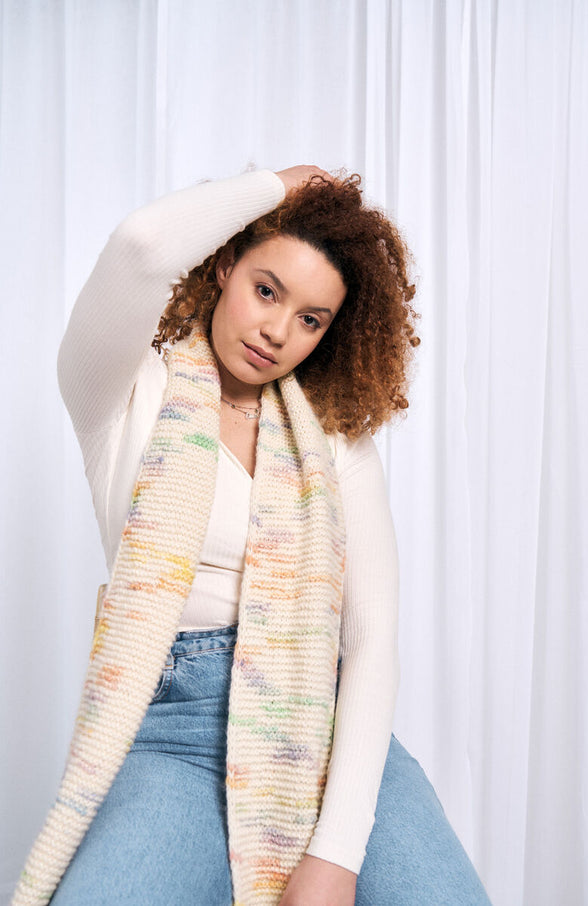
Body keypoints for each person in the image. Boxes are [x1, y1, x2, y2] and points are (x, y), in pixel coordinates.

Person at [12, 166, 492, 906]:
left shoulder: (334, 442)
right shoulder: (124, 394)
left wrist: (335, 853)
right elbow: (140, 246)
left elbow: (370, 644)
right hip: (175, 733)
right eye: (267, 290)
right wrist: (275, 186)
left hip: (321, 726)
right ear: (225, 265)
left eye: (311, 319)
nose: (278, 331)